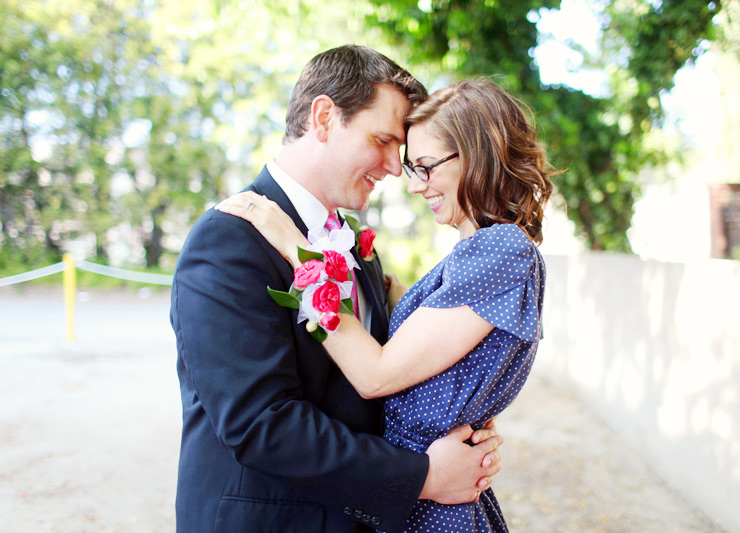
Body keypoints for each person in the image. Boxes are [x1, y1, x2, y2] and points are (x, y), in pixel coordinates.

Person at [170, 46, 503, 533]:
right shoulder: (229, 240)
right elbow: (262, 425)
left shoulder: (355, 246)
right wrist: (424, 477)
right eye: (384, 140)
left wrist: (462, 418)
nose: (395, 167)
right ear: (324, 118)